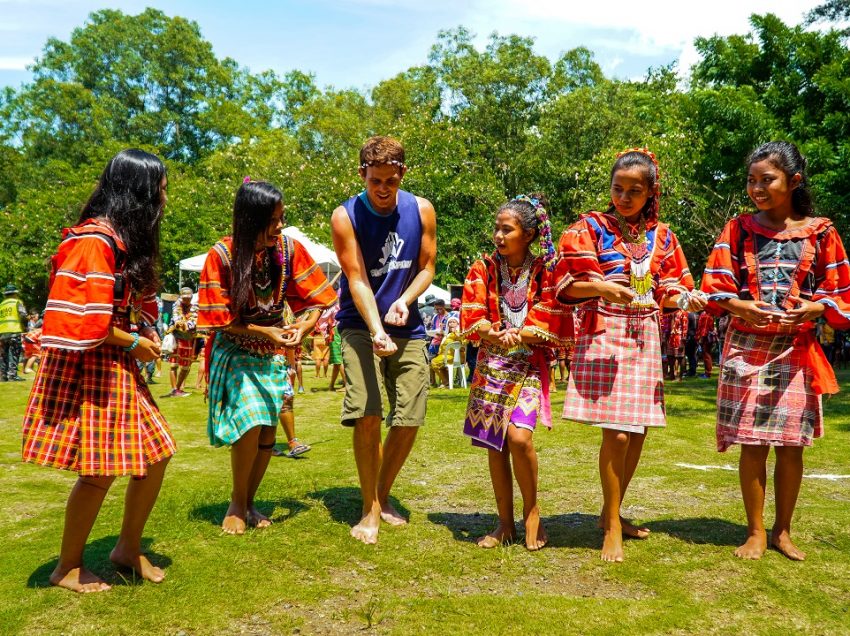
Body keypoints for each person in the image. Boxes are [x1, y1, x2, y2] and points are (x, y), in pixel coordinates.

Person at [21, 149, 176, 592]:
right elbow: (78, 318)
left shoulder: (118, 240)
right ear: (138, 192)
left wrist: (139, 332)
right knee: (99, 469)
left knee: (156, 454)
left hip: (114, 364)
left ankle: (126, 548)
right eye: (160, 188)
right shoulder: (93, 240)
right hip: (94, 367)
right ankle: (67, 567)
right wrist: (132, 340)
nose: (164, 196)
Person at [700, 141, 850, 561]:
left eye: (767, 180)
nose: (757, 189)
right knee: (752, 441)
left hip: (795, 349)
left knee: (790, 444)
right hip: (746, 347)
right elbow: (714, 285)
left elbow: (840, 291)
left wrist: (816, 306)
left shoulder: (821, 232)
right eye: (751, 181)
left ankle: (782, 531)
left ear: (793, 181)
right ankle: (753, 531)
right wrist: (740, 305)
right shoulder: (739, 228)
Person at [555, 147, 705, 562]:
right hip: (605, 334)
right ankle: (613, 529)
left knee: (637, 431)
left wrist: (685, 299)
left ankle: (610, 512)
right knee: (617, 433)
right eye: (618, 189)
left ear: (650, 192)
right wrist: (603, 286)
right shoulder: (589, 228)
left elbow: (670, 288)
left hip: (645, 337)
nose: (624, 197)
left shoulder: (664, 237)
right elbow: (564, 284)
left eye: (634, 191)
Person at [197, 179, 335, 535]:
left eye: (281, 218)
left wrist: (303, 328)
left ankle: (249, 502)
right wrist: (267, 333)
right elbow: (220, 322)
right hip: (236, 348)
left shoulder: (288, 250)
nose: (279, 227)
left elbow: (319, 300)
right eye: (272, 220)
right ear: (250, 219)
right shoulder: (222, 254)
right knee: (251, 418)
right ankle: (236, 502)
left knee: (267, 431)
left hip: (272, 351)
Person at [330, 135, 436, 544]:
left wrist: (405, 301)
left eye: (391, 181)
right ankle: (369, 509)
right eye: (375, 180)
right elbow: (355, 277)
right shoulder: (346, 216)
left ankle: (382, 493)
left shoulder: (421, 209)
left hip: (407, 323)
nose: (383, 189)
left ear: (402, 175)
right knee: (369, 411)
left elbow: (427, 267)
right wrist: (376, 329)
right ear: (362, 175)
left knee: (410, 416)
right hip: (359, 322)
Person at [461, 195, 565, 551]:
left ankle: (532, 512)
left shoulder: (545, 272)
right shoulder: (483, 269)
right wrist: (494, 331)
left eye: (507, 229)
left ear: (530, 234)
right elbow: (473, 317)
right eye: (497, 228)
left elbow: (550, 318)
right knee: (495, 443)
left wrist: (517, 333)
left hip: (528, 367)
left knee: (519, 437)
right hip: (491, 366)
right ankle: (504, 523)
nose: (499, 236)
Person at [166, 287, 198, 396]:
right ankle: (174, 389)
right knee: (173, 365)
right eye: (184, 298)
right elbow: (176, 320)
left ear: (191, 297)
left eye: (188, 298)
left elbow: (194, 321)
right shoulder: (176, 305)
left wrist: (185, 324)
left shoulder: (195, 307)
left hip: (188, 339)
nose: (186, 300)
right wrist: (186, 324)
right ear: (181, 297)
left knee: (185, 367)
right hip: (176, 337)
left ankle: (178, 389)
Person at [429, 314, 466, 388]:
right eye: (450, 322)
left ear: (458, 324)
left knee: (434, 362)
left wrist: (456, 333)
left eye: (454, 322)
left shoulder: (460, 333)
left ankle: (446, 382)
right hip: (446, 356)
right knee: (430, 365)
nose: (451, 324)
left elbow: (463, 342)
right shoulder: (447, 334)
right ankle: (433, 383)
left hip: (456, 357)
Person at [0, 283, 28, 381]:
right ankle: (12, 375)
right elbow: (23, 315)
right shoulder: (17, 302)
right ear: (15, 293)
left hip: (2, 332)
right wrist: (25, 326)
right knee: (14, 353)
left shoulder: (2, 305)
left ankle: (3, 376)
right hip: (14, 331)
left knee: (3, 355)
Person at [696, 311, 716, 378]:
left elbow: (704, 328)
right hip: (706, 337)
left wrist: (701, 338)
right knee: (706, 355)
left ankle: (707, 374)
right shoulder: (708, 314)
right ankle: (706, 372)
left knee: (706, 355)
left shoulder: (705, 314)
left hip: (706, 337)